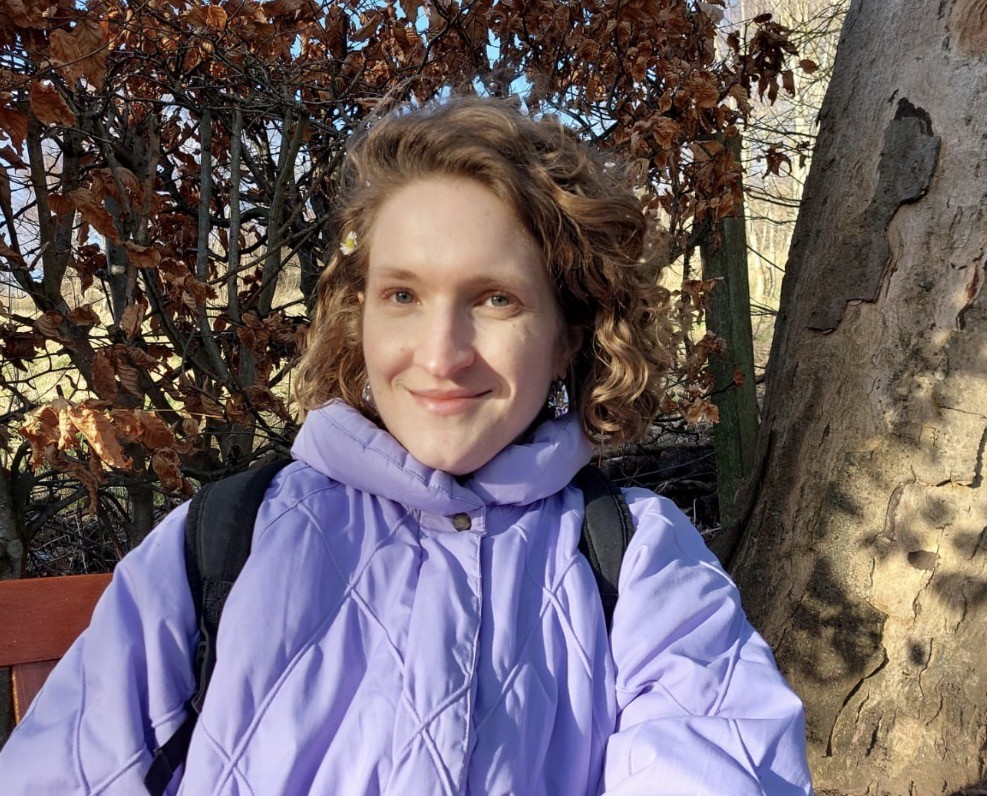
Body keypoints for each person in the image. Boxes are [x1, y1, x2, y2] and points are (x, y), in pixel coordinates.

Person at [0, 97, 812, 794]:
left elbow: (712, 756)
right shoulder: (222, 540)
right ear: (359, 314)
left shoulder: (635, 561)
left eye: (493, 298)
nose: (439, 353)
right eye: (402, 295)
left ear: (569, 334)